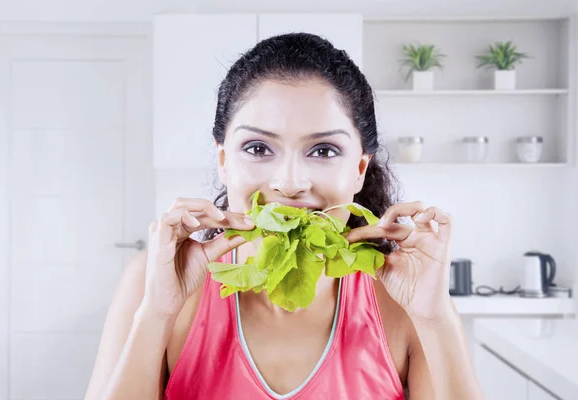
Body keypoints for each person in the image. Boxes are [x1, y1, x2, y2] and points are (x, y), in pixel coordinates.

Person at [84, 33, 485, 400]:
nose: (290, 183)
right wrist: (156, 314)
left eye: (324, 151)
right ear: (224, 161)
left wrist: (435, 320)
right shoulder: (157, 281)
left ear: (360, 169)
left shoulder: (403, 303)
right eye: (258, 148)